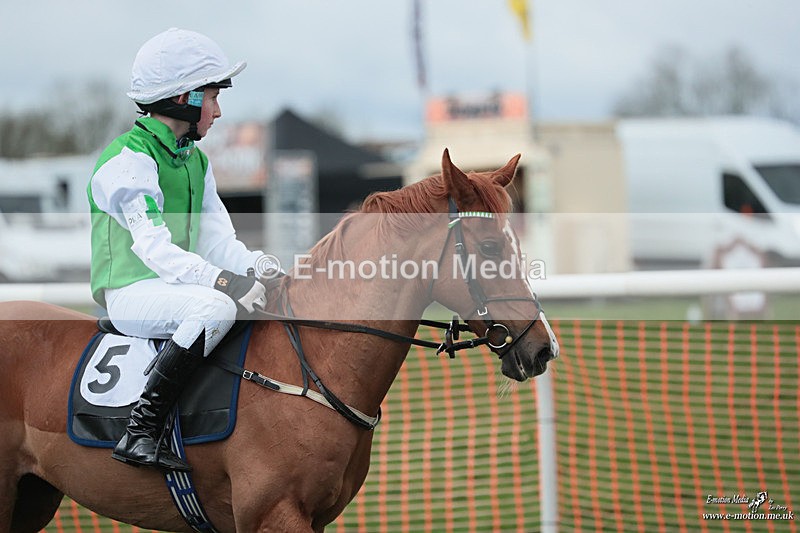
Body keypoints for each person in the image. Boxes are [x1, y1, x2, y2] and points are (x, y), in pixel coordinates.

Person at [87, 28, 278, 472]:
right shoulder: (127, 162)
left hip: (173, 287)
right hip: (130, 292)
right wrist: (225, 281)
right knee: (216, 308)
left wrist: (263, 266)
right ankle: (140, 430)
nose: (218, 110)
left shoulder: (196, 160)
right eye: (211, 97)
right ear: (184, 99)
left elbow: (217, 241)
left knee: (250, 298)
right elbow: (155, 249)